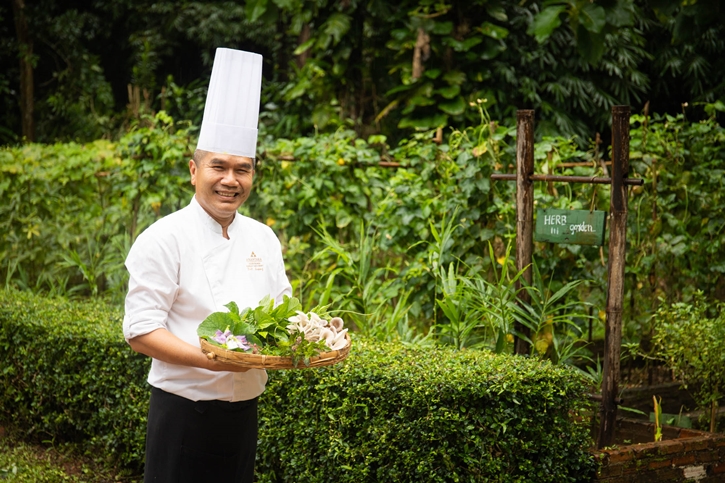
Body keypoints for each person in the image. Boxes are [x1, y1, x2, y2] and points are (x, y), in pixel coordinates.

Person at [122, 48, 291, 483]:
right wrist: (211, 360)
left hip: (245, 412)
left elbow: (282, 313)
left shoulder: (263, 237)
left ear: (253, 175)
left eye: (243, 169)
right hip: (182, 413)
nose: (231, 180)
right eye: (218, 166)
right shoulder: (164, 237)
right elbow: (140, 330)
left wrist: (304, 339)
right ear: (194, 171)